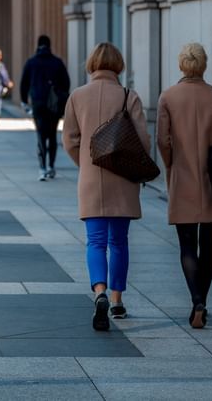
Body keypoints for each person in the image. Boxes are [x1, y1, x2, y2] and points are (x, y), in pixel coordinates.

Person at [63, 42, 149, 331]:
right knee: (119, 241)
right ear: (118, 65)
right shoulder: (129, 96)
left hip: (91, 178)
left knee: (95, 240)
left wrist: (85, 164)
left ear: (91, 64)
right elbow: (143, 142)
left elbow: (70, 140)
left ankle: (98, 292)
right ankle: (117, 300)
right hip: (123, 178)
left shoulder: (78, 96)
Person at [156, 42, 212, 330]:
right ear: (203, 65)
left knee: (187, 245)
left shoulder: (168, 97)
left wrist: (171, 163)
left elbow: (162, 140)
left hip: (183, 177)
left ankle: (196, 301)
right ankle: (201, 301)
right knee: (209, 244)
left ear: (182, 65)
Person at [20, 35, 71, 180]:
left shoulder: (31, 62)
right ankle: (51, 166)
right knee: (52, 135)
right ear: (50, 45)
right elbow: (66, 82)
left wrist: (24, 101)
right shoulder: (57, 62)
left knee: (41, 136)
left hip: (38, 103)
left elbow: (24, 83)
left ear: (38, 45)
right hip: (53, 105)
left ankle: (42, 168)